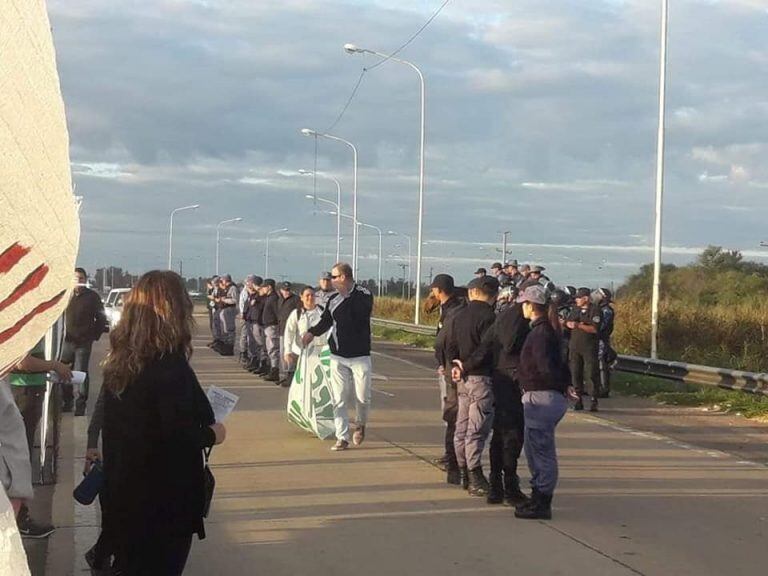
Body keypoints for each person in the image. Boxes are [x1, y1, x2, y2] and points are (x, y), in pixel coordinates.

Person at [100, 270, 226, 575]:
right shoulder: (169, 367)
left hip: (122, 492)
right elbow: (178, 437)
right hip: (163, 501)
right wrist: (212, 434)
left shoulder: (119, 360)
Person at [461, 284, 530, 506]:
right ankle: (509, 487)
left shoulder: (502, 316)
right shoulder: (521, 321)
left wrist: (464, 366)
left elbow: (485, 347)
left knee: (499, 437)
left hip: (499, 381)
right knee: (512, 436)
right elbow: (506, 346)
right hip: (512, 384)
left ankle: (497, 488)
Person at [515, 285, 572, 520]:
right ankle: (538, 496)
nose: (522, 308)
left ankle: (542, 500)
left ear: (531, 305)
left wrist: (554, 385)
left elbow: (545, 367)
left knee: (541, 452)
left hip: (541, 397)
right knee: (535, 449)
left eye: (523, 304)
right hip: (544, 396)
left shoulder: (540, 333)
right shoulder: (545, 330)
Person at [302, 263, 374, 452]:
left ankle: (360, 424)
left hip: (360, 356)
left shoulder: (363, 295)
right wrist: (311, 332)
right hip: (338, 356)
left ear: (343, 277)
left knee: (362, 398)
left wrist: (346, 296)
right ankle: (342, 437)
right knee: (339, 398)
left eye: (334, 277)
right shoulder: (332, 299)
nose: (331, 281)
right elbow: (326, 321)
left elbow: (359, 316)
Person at [445, 275, 499, 496]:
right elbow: (487, 349)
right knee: (477, 429)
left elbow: (448, 344)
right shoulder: (490, 317)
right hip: (480, 378)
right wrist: (466, 366)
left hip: (462, 379)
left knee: (462, 426)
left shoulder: (458, 315)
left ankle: (463, 471)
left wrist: (455, 366)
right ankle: (475, 473)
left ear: (472, 292)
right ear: (493, 296)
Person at [430, 274, 465, 483]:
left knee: (452, 413)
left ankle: (453, 457)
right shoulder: (449, 308)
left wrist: (444, 363)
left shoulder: (452, 311)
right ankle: (452, 454)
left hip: (451, 368)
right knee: (451, 412)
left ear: (438, 290)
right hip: (449, 365)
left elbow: (443, 341)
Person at [61, 267, 107, 415]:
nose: (78, 281)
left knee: (80, 372)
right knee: (63, 371)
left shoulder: (92, 297)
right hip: (66, 341)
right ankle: (66, 401)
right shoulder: (66, 296)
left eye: (81, 278)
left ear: (85, 280)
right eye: (75, 278)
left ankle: (80, 404)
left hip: (83, 343)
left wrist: (94, 335)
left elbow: (101, 318)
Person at [566, 287, 602, 411]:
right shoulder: (575, 309)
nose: (576, 300)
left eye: (579, 298)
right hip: (575, 346)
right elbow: (569, 322)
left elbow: (594, 328)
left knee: (591, 373)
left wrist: (579, 325)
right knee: (575, 373)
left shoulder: (595, 310)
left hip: (589, 347)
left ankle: (593, 399)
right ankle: (578, 399)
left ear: (586, 298)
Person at [284, 286, 328, 380]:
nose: (310, 298)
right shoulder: (296, 313)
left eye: (312, 295)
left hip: (319, 353)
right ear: (301, 297)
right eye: (307, 295)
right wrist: (287, 351)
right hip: (300, 353)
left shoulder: (323, 312)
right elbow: (289, 332)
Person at [277, 282, 300, 386]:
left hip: (292, 330)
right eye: (285, 290)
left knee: (290, 353)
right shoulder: (280, 299)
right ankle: (285, 375)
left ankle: (290, 375)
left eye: (288, 290)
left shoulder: (296, 299)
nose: (287, 292)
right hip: (281, 329)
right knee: (283, 353)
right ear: (281, 290)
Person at [242, 277, 266, 374]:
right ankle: (254, 359)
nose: (249, 286)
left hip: (256, 321)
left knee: (259, 343)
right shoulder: (251, 295)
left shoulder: (260, 295)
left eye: (251, 284)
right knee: (251, 342)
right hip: (250, 320)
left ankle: (262, 361)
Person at [259, 279, 281, 382]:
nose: (262, 289)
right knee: (269, 348)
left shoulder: (273, 298)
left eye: (264, 287)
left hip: (272, 326)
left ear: (269, 287)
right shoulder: (268, 298)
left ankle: (274, 370)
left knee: (273, 348)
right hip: (267, 326)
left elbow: (277, 313)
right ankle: (271, 368)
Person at [597, 288, 616, 398]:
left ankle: (604, 388)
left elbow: (601, 326)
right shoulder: (600, 309)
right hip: (599, 339)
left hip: (602, 339)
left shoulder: (606, 310)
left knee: (602, 363)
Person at [214, 275, 238, 356]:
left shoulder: (232, 288)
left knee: (229, 329)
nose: (221, 282)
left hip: (230, 310)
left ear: (226, 280)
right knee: (224, 329)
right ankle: (225, 346)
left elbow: (234, 300)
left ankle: (229, 347)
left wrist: (224, 300)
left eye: (222, 280)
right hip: (225, 310)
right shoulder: (226, 288)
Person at [238, 276, 256, 365]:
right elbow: (242, 304)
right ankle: (243, 353)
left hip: (252, 317)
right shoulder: (244, 292)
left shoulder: (254, 293)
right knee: (244, 335)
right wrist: (242, 313)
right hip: (246, 316)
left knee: (251, 337)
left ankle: (250, 354)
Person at [206, 276, 221, 347]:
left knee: (216, 325)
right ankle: (215, 339)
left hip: (216, 308)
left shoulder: (217, 289)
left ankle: (217, 340)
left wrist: (211, 289)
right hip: (211, 308)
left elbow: (216, 298)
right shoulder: (212, 290)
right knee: (212, 324)